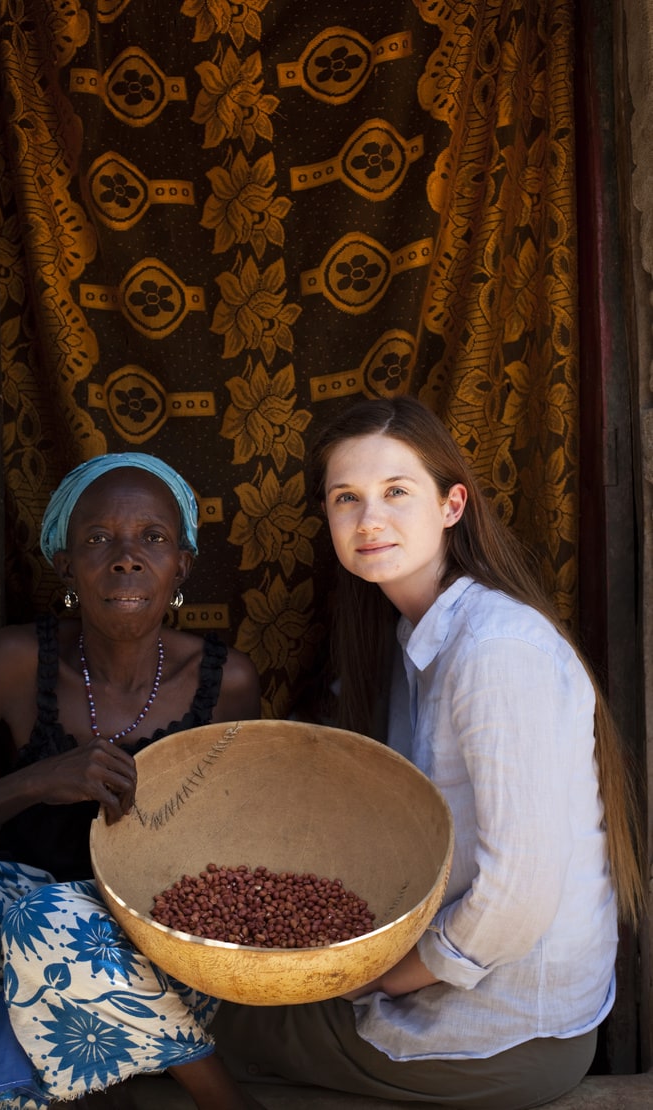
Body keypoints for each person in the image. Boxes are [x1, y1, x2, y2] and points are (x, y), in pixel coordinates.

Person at [209, 396, 646, 1109]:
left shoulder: (495, 650)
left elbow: (516, 898)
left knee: (184, 1024)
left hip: (501, 1034)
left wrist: (380, 976)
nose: (369, 519)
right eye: (346, 498)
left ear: (452, 505)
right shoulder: (411, 646)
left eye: (396, 492)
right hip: (467, 1008)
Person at [0, 452, 265, 1110]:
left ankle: (219, 1095)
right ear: (66, 566)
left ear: (181, 566)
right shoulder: (17, 662)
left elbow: (246, 858)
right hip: (11, 925)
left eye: (152, 539)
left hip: (153, 954)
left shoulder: (227, 683)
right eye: (98, 539)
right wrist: (33, 783)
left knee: (51, 919)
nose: (126, 558)